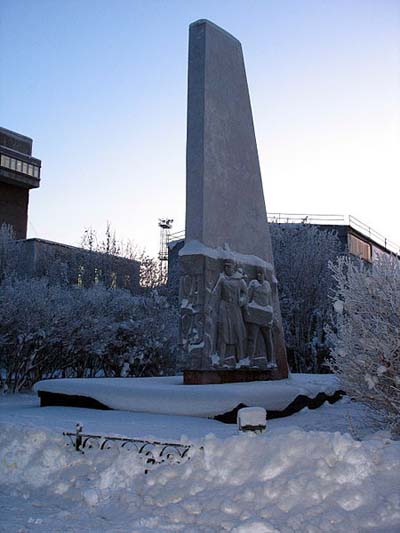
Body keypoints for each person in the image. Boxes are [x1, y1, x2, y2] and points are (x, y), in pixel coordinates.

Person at [211, 259, 248, 364]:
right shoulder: (222, 279)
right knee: (223, 333)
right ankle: (220, 358)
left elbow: (245, 293)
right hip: (224, 308)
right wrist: (210, 307)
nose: (227, 268)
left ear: (233, 267)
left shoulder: (240, 280)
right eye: (225, 266)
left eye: (229, 267)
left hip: (235, 309)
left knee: (238, 333)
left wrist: (242, 300)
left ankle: (241, 358)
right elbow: (215, 293)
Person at [245, 268, 276, 367]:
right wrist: (247, 311)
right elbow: (247, 298)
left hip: (265, 315)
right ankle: (249, 360)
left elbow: (270, 301)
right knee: (252, 338)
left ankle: (270, 361)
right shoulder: (253, 284)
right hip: (254, 314)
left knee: (268, 339)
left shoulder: (267, 285)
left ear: (264, 274)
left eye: (261, 273)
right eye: (258, 273)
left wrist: (271, 316)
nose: (259, 275)